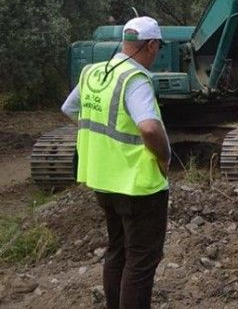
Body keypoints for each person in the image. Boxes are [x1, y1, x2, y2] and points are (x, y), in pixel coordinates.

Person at [61, 16, 171, 309]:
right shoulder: (135, 79)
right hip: (138, 186)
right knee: (140, 262)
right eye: (157, 47)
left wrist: (102, 142)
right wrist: (164, 157)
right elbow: (148, 128)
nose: (157, 53)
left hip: (103, 180)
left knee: (117, 251)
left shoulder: (93, 73)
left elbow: (70, 108)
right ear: (149, 45)